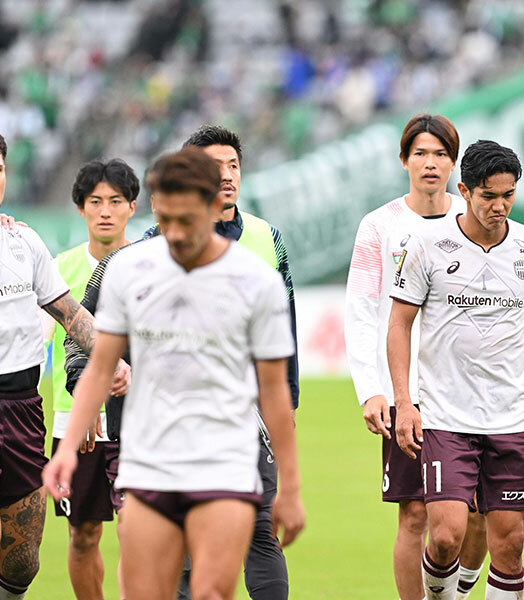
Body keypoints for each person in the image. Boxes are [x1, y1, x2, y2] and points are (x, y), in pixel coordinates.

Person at [43, 147, 305, 600]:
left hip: (225, 462)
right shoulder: (126, 270)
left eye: (188, 219)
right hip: (149, 464)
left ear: (210, 205)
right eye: (166, 220)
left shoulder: (254, 281)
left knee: (209, 591)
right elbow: (101, 362)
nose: (176, 233)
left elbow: (274, 389)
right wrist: (66, 449)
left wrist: (292, 487)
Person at [0, 122, 128, 600]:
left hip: (24, 410)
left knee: (21, 563)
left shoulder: (24, 242)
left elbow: (71, 314)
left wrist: (112, 362)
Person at [388, 139, 524, 600]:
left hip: (509, 417)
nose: (500, 205)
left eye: (508, 195)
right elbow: (398, 325)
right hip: (444, 415)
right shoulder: (427, 246)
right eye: (489, 195)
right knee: (447, 535)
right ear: (464, 189)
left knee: (509, 546)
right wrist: (404, 402)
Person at [344, 114, 492, 600]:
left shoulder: (472, 219)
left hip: (470, 386)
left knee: (476, 514)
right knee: (413, 514)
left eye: (441, 154)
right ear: (404, 159)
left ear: (455, 163)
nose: (431, 163)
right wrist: (373, 390)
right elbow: (363, 310)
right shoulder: (380, 226)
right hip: (406, 390)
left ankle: (455, 592)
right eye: (421, 153)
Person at [45, 159, 138, 600]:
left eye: (115, 201)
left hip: (136, 423)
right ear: (80, 208)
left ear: (133, 207)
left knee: (137, 532)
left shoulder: (147, 265)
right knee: (83, 536)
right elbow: (35, 343)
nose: (105, 211)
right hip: (73, 424)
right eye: (95, 201)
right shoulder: (56, 269)